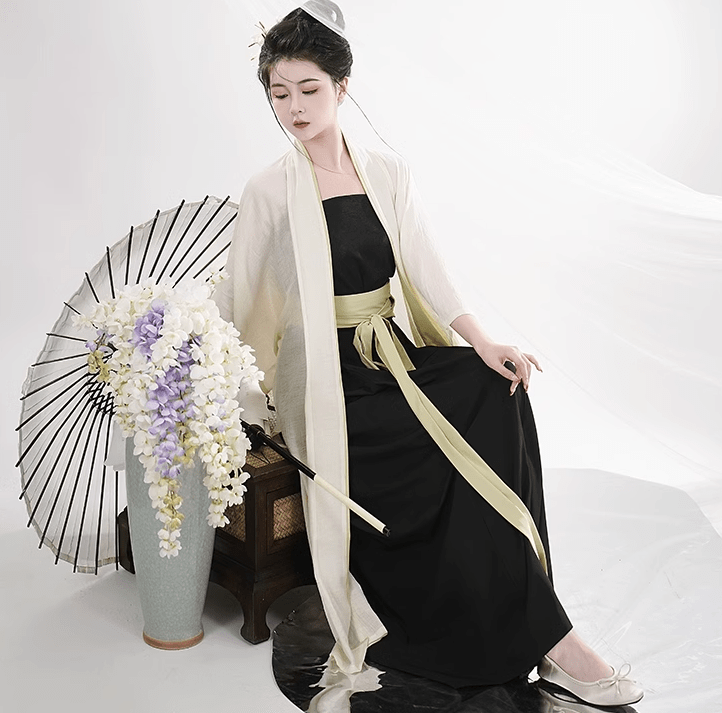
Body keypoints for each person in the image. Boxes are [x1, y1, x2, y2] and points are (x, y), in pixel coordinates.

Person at [215, 1, 643, 706]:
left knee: (496, 392)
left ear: (342, 86)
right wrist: (247, 407)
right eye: (278, 92)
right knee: (442, 458)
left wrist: (484, 339)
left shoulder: (385, 171)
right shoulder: (268, 191)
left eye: (308, 89)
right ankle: (555, 644)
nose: (293, 107)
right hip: (330, 384)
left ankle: (542, 626)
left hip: (391, 358)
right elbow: (240, 304)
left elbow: (425, 264)